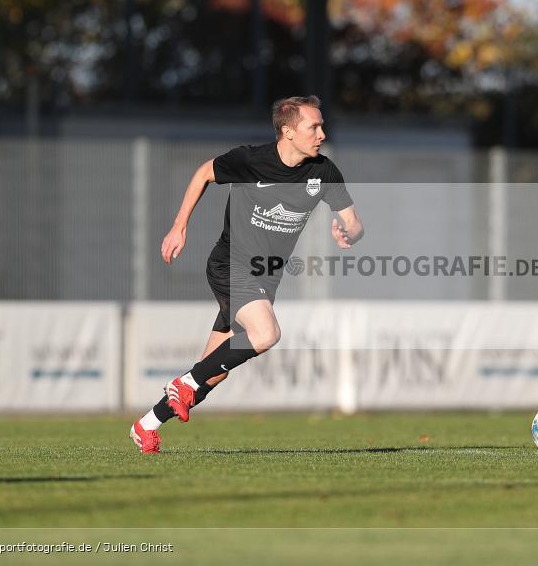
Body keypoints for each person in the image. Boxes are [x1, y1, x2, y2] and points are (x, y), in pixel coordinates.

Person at [130, 95, 363, 453]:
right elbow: (204, 173)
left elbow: (354, 222)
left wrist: (349, 232)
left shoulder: (324, 172)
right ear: (288, 131)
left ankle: (147, 425)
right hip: (230, 265)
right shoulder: (251, 160)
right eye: (313, 126)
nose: (322, 133)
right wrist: (179, 226)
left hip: (264, 278)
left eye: (321, 126)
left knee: (213, 371)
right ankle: (184, 383)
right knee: (266, 333)